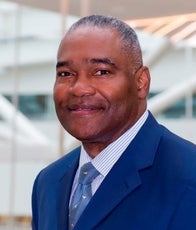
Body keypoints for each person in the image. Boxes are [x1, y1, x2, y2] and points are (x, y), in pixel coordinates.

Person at [31, 15, 196, 230]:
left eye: (101, 72)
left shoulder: (188, 177)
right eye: (66, 73)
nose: (79, 88)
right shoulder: (48, 183)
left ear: (141, 82)